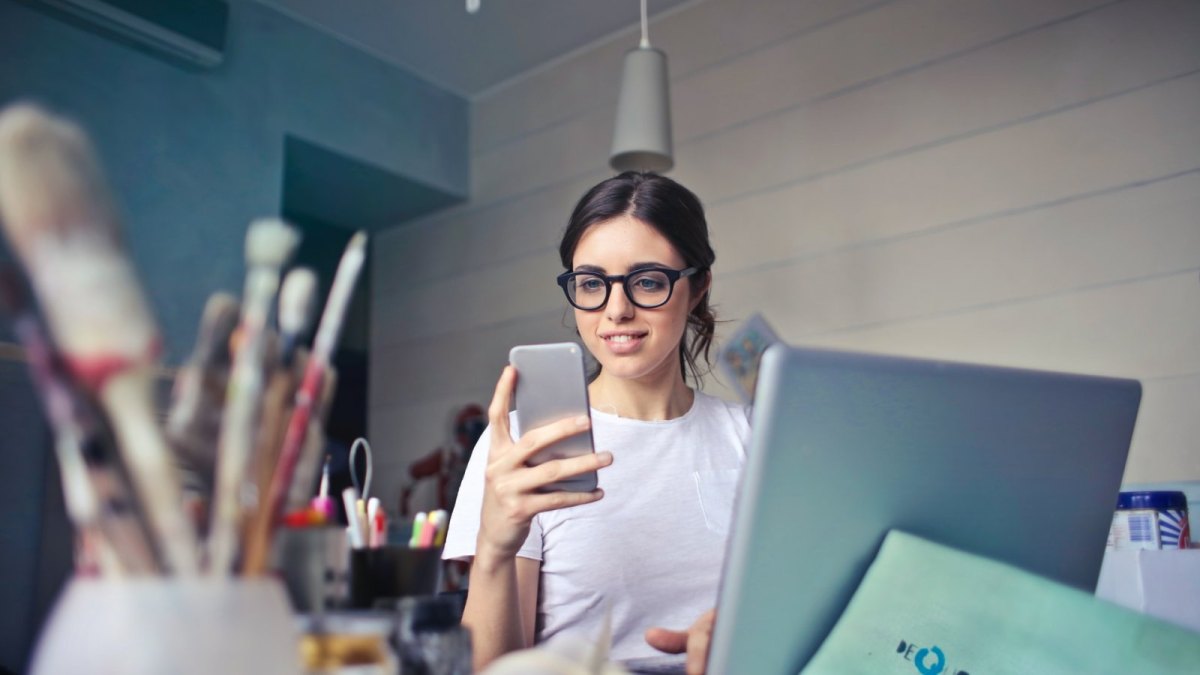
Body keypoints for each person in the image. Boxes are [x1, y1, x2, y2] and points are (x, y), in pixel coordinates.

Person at [442, 172, 750, 675]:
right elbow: (492, 669)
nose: (617, 310)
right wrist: (495, 548)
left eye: (648, 281)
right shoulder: (524, 446)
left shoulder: (754, 438)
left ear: (697, 288)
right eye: (592, 284)